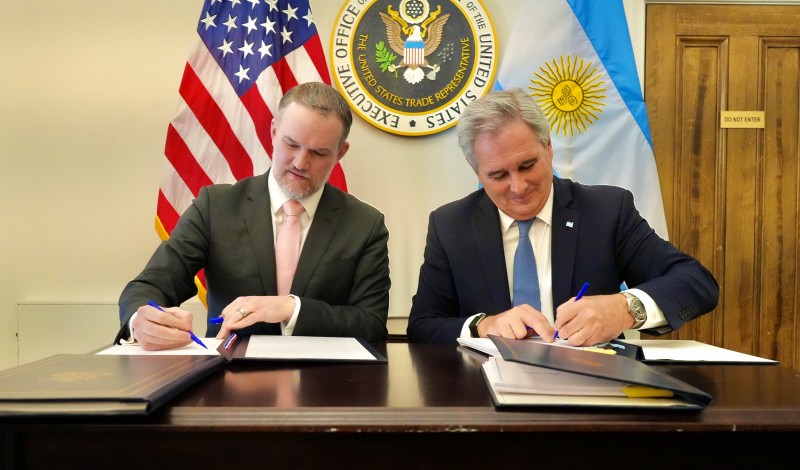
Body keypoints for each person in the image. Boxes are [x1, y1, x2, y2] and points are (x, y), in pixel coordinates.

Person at [407, 88, 719, 345]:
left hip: (592, 384)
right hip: (484, 389)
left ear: (549, 148)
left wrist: (625, 308)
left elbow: (696, 283)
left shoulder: (607, 211)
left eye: (527, 165)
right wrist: (484, 325)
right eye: (498, 175)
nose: (518, 187)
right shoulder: (451, 226)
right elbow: (422, 326)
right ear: (476, 169)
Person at [115, 82, 391, 350]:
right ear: (273, 132)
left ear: (340, 153)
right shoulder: (215, 207)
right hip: (229, 373)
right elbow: (151, 284)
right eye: (291, 144)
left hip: (326, 376)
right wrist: (140, 320)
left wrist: (292, 308)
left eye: (318, 153)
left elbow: (372, 324)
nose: (300, 163)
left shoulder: (365, 225)